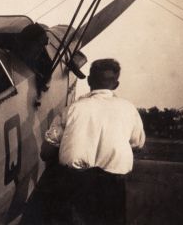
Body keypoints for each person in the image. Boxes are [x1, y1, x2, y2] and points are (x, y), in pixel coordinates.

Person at [42, 58, 145, 224]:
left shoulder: (73, 108)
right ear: (116, 85)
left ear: (89, 81)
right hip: (113, 186)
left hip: (74, 185)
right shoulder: (129, 109)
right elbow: (137, 145)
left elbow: (45, 152)